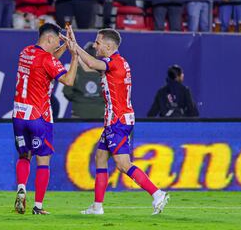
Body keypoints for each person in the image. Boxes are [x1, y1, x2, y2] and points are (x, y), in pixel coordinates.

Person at [67, 26, 169, 215]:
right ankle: (97, 207)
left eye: (97, 43)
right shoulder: (117, 61)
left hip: (118, 121)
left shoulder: (114, 63)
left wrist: (75, 46)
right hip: (115, 119)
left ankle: (157, 193)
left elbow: (90, 62)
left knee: (123, 164)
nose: (95, 46)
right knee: (100, 157)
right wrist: (74, 47)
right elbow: (89, 64)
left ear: (107, 46)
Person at [13, 23, 78, 215]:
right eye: (58, 40)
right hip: (38, 116)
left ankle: (21, 188)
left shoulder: (25, 52)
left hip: (18, 114)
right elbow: (68, 80)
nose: (59, 42)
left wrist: (65, 46)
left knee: (24, 155)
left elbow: (48, 62)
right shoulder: (46, 60)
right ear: (49, 39)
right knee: (43, 160)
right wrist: (74, 56)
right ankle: (38, 206)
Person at [63, 42, 104, 119]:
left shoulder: (75, 71)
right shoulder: (104, 72)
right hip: (100, 116)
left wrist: (80, 99)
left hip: (79, 114)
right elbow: (110, 94)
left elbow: (67, 92)